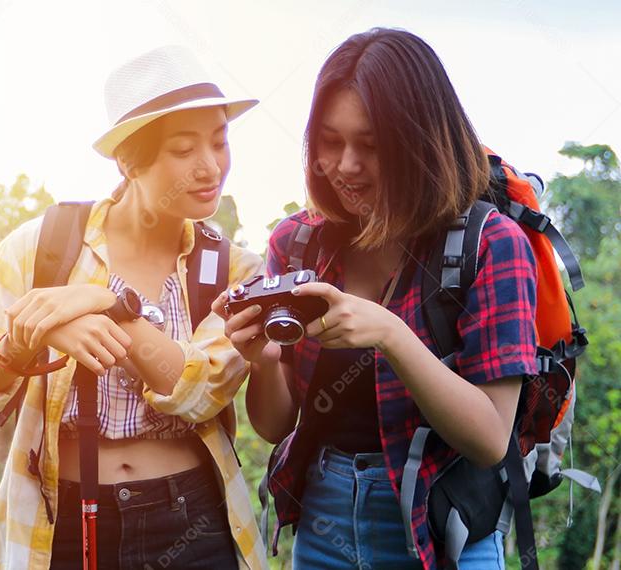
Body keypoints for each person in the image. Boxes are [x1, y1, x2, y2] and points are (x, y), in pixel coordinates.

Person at [0, 45, 269, 569]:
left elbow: (201, 393)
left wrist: (114, 307)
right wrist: (30, 337)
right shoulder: (43, 246)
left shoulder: (233, 270)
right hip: (63, 519)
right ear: (129, 161)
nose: (211, 167)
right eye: (184, 149)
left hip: (193, 518)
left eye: (220, 142)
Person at [216, 28, 538, 569]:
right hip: (325, 524)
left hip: (444, 533)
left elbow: (488, 438)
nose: (345, 165)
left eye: (370, 145)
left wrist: (391, 334)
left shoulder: (489, 244)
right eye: (330, 140)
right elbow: (275, 425)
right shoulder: (298, 242)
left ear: (422, 141)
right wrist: (262, 361)